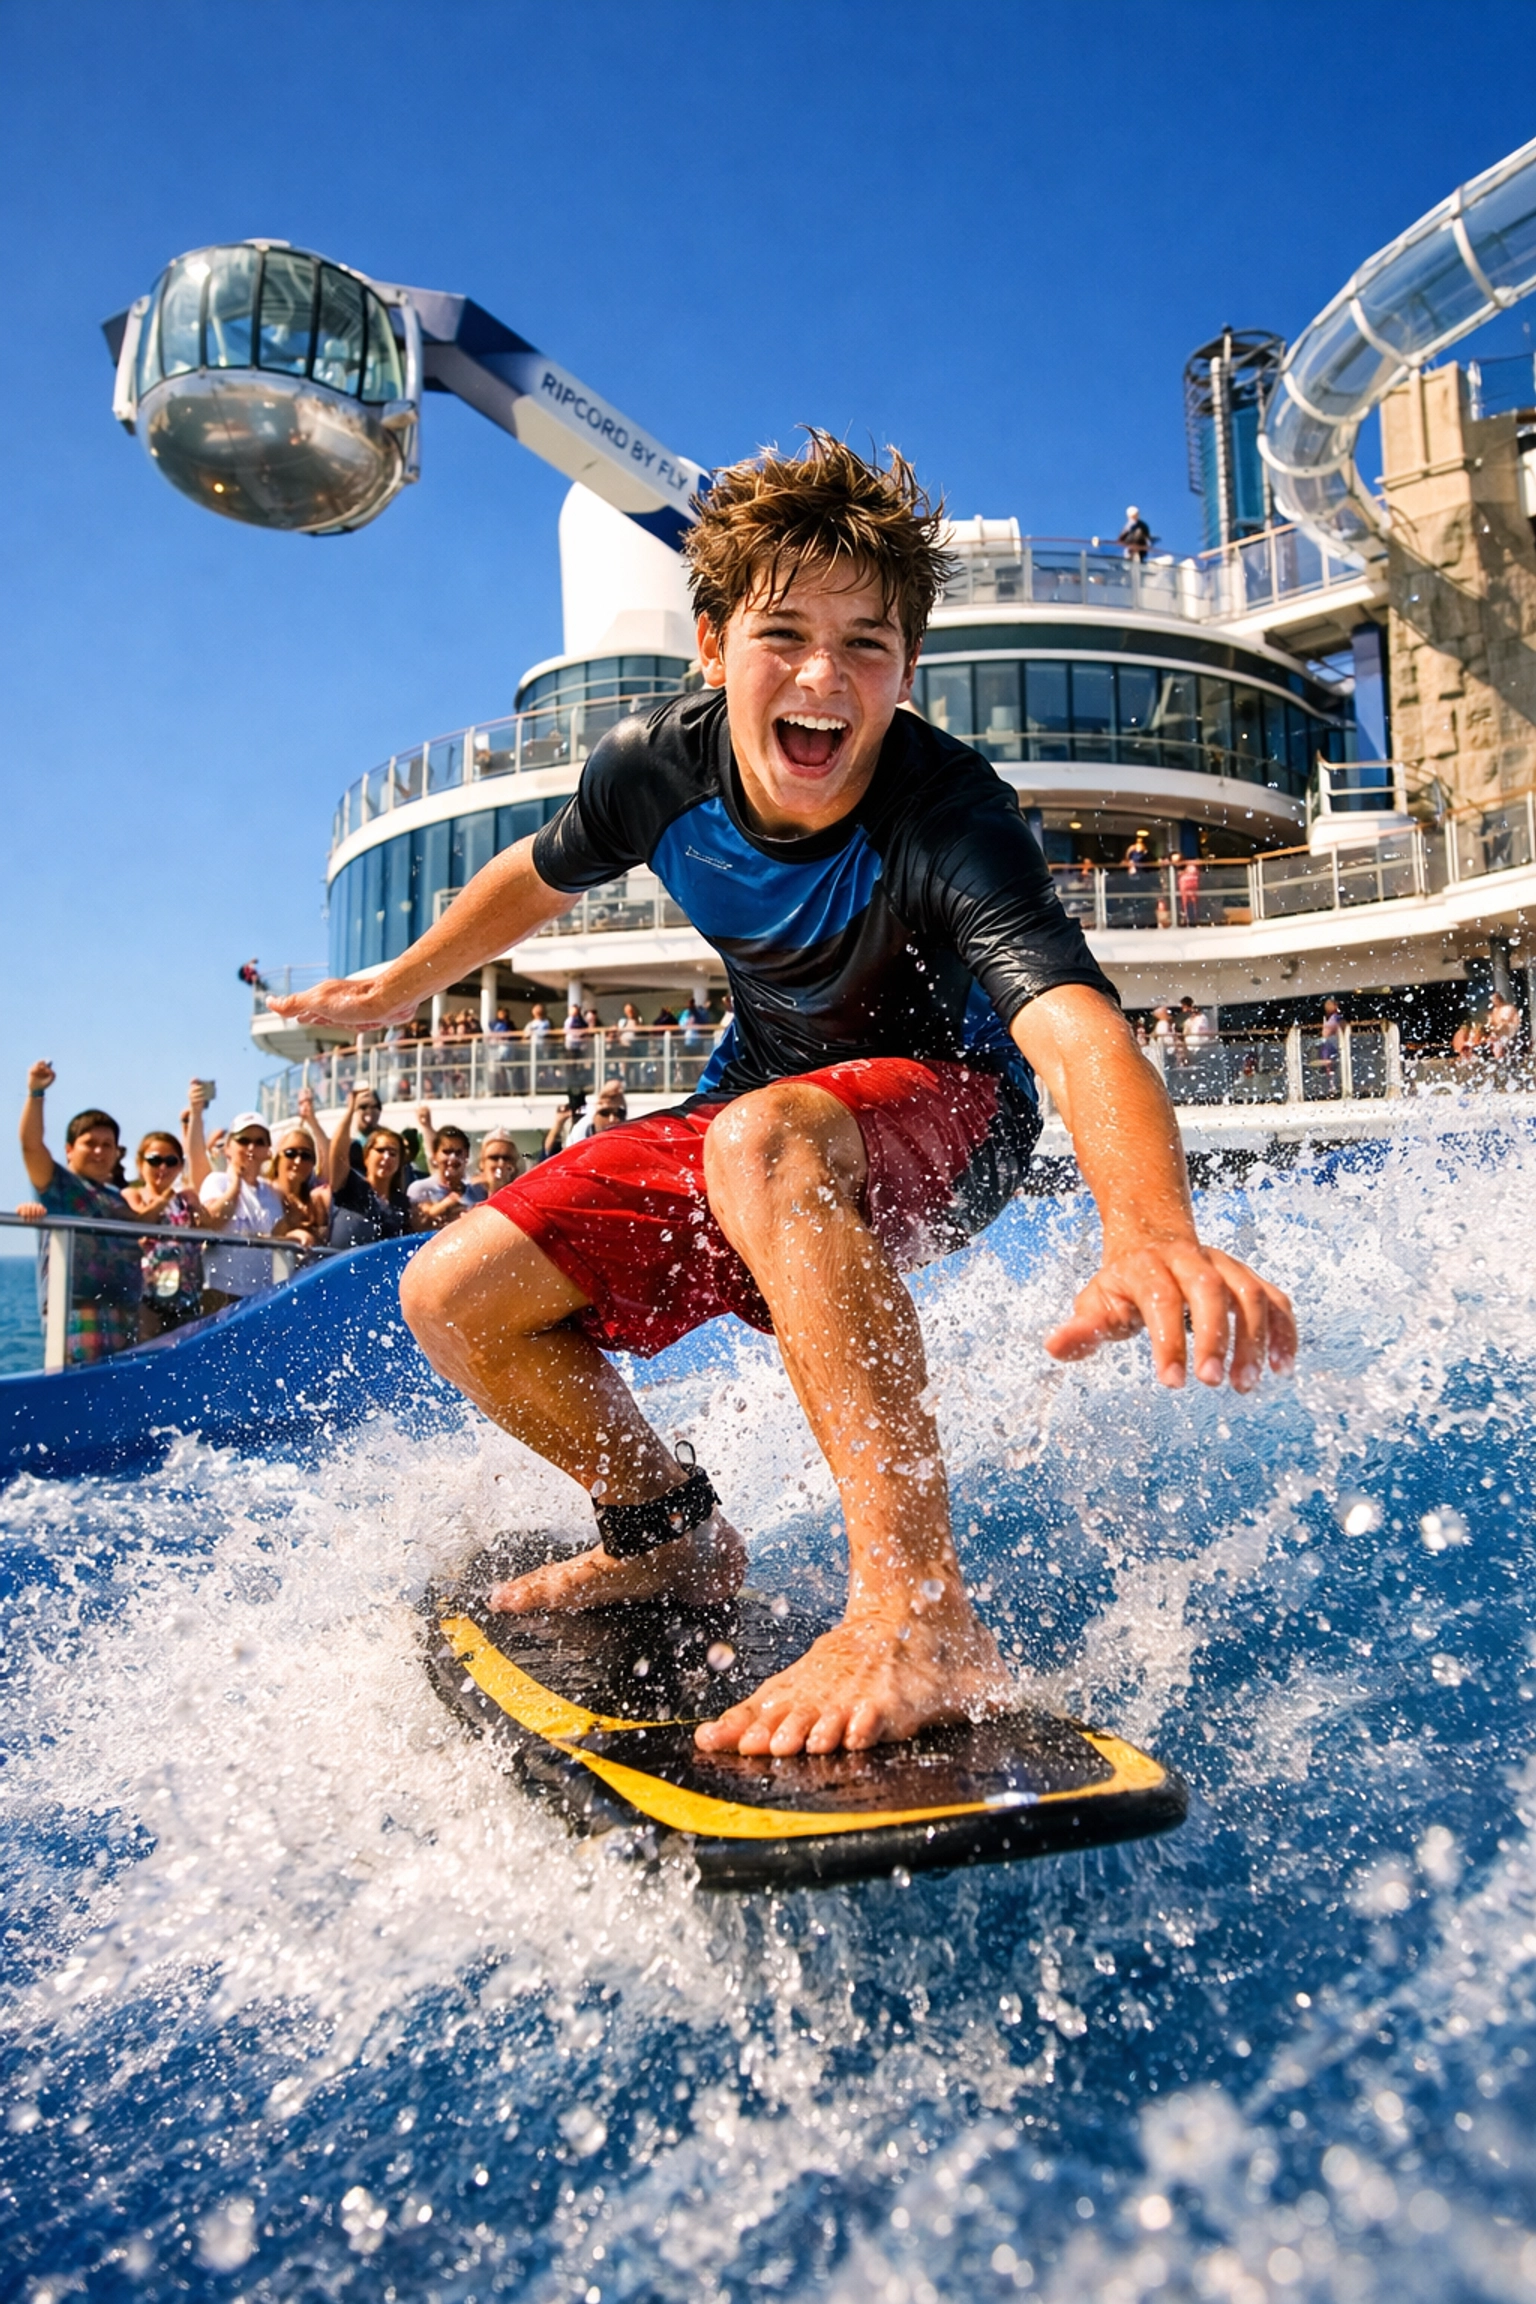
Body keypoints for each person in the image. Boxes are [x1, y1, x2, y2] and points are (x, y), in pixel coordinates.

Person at [272, 431, 1294, 1760]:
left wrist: (1149, 1228)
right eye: (786, 634)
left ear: (907, 671)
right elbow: (533, 871)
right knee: (455, 1294)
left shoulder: (950, 814)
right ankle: (663, 1532)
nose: (825, 677)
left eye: (868, 643)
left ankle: (920, 1615)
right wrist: (403, 983)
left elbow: (1076, 1028)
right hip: (765, 1107)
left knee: (763, 1141)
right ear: (711, 644)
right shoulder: (658, 767)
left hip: (953, 1114)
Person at [17, 1062, 142, 1363]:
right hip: (76, 1311)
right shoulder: (58, 1185)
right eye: (90, 1144)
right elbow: (31, 1146)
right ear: (70, 1149)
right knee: (81, 1390)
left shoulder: (119, 1198)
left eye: (107, 1145)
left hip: (123, 1310)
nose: (99, 1151)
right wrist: (36, 1092)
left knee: (121, 1395)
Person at [126, 1083, 213, 1337]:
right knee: (147, 1354)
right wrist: (165, 1197)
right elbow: (139, 1223)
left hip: (186, 1292)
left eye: (171, 1161)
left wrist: (198, 1207)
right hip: (146, 1294)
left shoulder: (185, 1198)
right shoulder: (132, 1194)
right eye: (154, 1160)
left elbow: (207, 1232)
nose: (162, 1167)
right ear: (140, 1163)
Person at [198, 1112, 309, 1312]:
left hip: (262, 1297)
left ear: (267, 1150)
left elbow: (276, 1239)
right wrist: (234, 1186)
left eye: (259, 1142)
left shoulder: (273, 1192)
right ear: (228, 1147)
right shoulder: (216, 1181)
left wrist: (296, 1233)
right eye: (244, 1140)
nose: (251, 1147)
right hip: (220, 1291)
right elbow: (212, 1222)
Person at [326, 1087, 413, 1247]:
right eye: (380, 1150)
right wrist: (350, 1110)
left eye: (393, 1153)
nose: (386, 1157)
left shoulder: (402, 1204)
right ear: (366, 1156)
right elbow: (337, 1154)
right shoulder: (350, 1186)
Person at [408, 1124, 487, 1229]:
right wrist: (451, 1200)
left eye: (459, 1152)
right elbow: (418, 1226)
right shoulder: (420, 1189)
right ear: (435, 1155)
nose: (453, 1158)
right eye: (447, 1152)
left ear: (467, 1155)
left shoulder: (478, 1190)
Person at [265, 1124, 331, 1242]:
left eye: (306, 1155)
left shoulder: (315, 1204)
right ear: (277, 1158)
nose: (298, 1161)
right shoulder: (265, 1192)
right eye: (290, 1153)